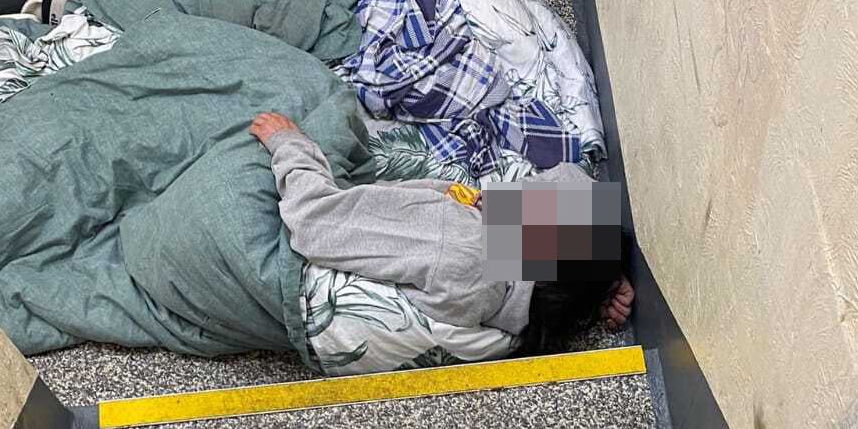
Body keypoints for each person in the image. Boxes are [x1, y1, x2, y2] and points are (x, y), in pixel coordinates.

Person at [250, 112, 635, 354]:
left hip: (268, 261)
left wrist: (289, 145)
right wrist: (601, 275)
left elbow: (314, 221)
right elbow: (574, 183)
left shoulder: (467, 248)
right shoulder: (525, 305)